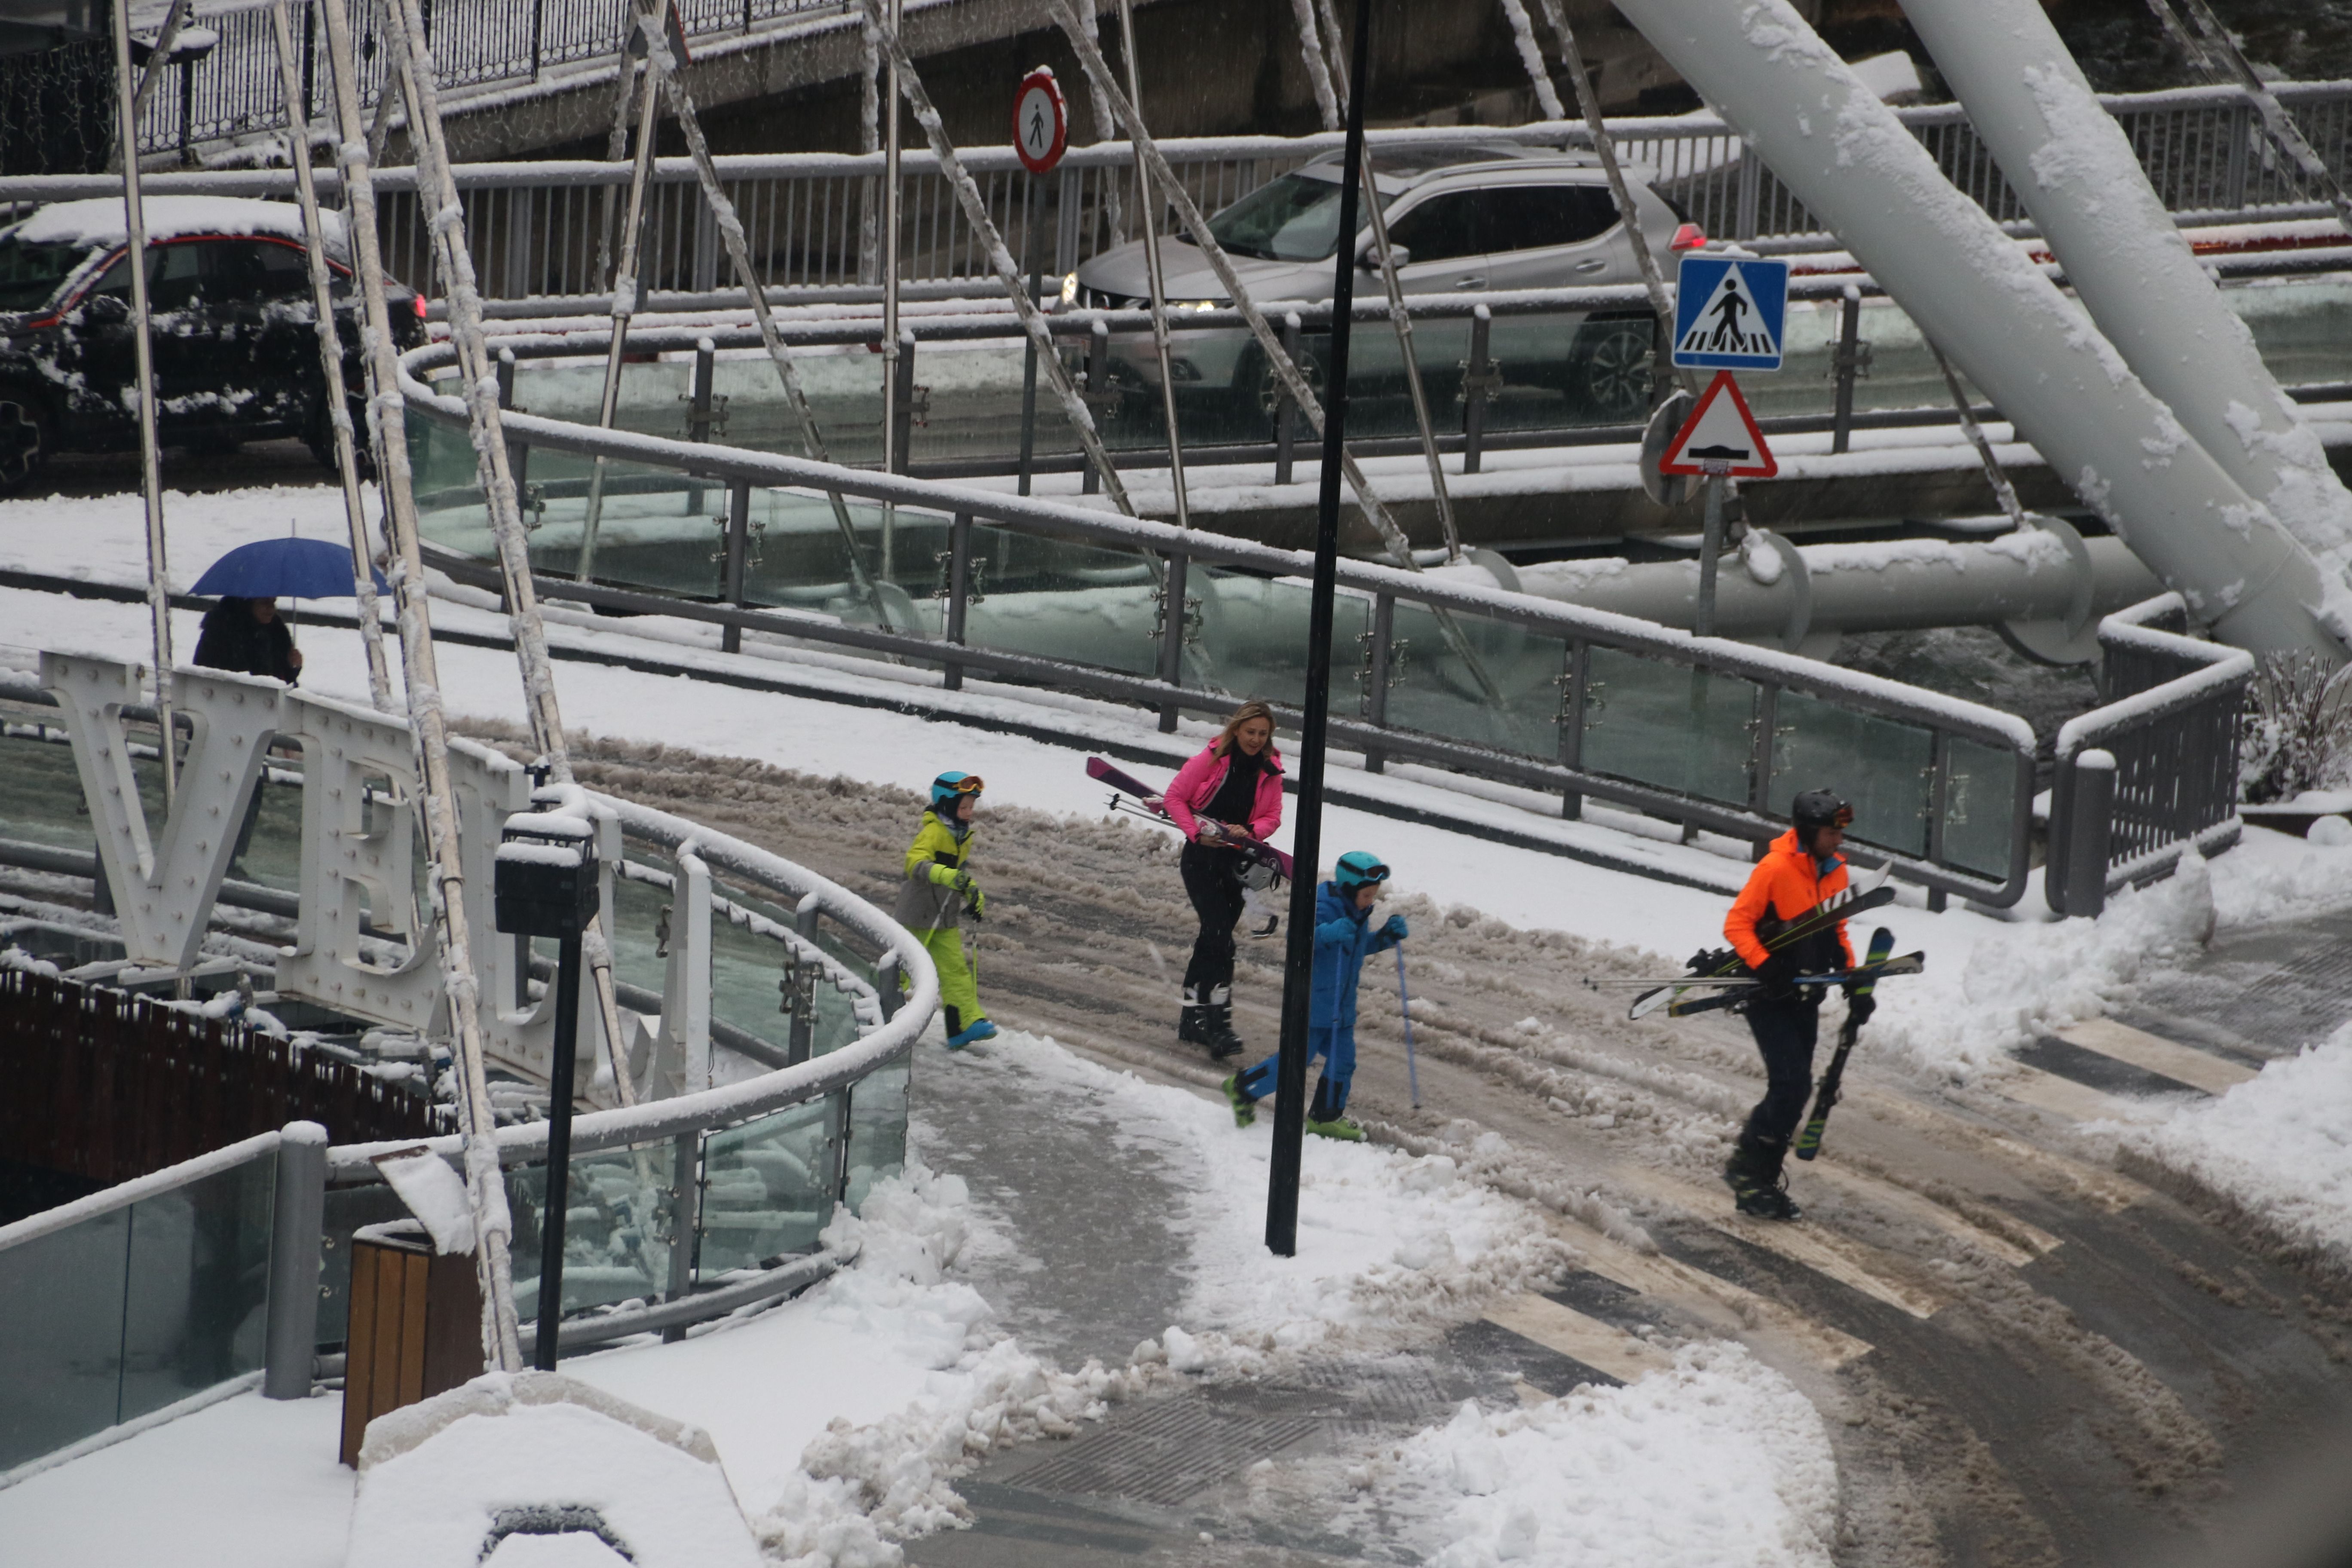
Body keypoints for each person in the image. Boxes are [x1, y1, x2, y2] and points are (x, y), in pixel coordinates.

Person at [1720, 789, 1872, 1221]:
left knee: (1797, 1089)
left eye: (1840, 833)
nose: (1839, 841)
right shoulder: (1775, 868)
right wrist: (1768, 969)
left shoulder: (1836, 872)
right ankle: (1747, 1172)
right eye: (1831, 833)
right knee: (1790, 1085)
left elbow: (1834, 932)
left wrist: (1851, 979)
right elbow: (1737, 924)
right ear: (1808, 831)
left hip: (1806, 992)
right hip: (1766, 993)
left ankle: (1761, 1177)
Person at [1223, 851, 1406, 1142]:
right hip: (1312, 1007)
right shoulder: (1322, 905)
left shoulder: (1358, 914)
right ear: (1349, 889)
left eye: (1374, 895)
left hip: (1341, 1010)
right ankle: (1243, 1088)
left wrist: (1385, 938)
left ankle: (1325, 1117)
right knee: (1292, 1065)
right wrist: (1330, 932)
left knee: (1344, 1062)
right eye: (1367, 894)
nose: (1371, 901)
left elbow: (1355, 948)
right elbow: (1303, 938)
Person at [1164, 700, 1286, 1058]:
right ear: (1237, 730)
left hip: (1236, 865)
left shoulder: (1271, 770)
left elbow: (1274, 816)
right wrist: (1195, 832)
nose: (1256, 739)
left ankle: (1191, 1020)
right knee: (1220, 937)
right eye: (1251, 732)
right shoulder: (1213, 758)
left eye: (1263, 734)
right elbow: (1175, 798)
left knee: (1213, 939)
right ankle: (1218, 1026)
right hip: (1202, 860)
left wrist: (1250, 830)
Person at [894, 770, 997, 1049]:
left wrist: (972, 892)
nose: (969, 813)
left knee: (955, 971)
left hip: (944, 917)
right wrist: (946, 875)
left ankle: (963, 1024)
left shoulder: (962, 836)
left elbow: (959, 874)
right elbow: (914, 863)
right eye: (963, 808)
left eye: (971, 807)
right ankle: (876, 1015)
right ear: (947, 806)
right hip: (917, 914)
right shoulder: (933, 832)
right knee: (899, 972)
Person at [193, 596, 303, 684]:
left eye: (273, 602)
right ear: (248, 604)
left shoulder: (277, 631)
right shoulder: (221, 630)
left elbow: (285, 681)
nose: (271, 608)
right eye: (265, 602)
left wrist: (292, 666)